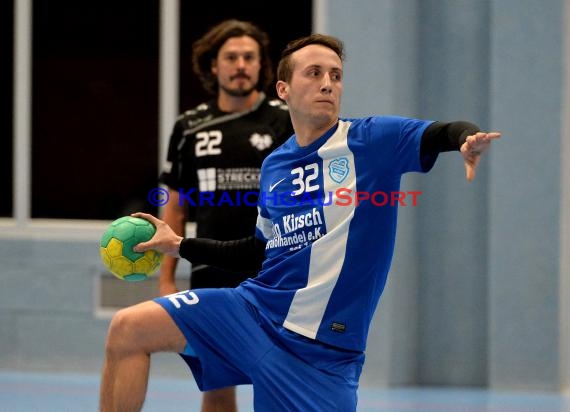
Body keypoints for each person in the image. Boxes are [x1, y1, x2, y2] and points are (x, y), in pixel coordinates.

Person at [99, 34, 501, 411]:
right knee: (129, 327)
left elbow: (441, 133)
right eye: (314, 73)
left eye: (336, 75)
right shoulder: (275, 165)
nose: (328, 83)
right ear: (283, 89)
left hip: (321, 354)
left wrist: (466, 139)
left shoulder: (372, 139)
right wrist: (178, 245)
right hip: (252, 313)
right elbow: (257, 251)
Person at [157, 19, 293, 411]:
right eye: (231, 57)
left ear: (261, 65)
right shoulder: (189, 127)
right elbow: (176, 204)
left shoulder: (285, 120)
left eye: (249, 57)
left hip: (274, 268)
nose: (240, 65)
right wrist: (167, 278)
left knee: (279, 377)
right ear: (213, 66)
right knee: (219, 383)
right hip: (210, 267)